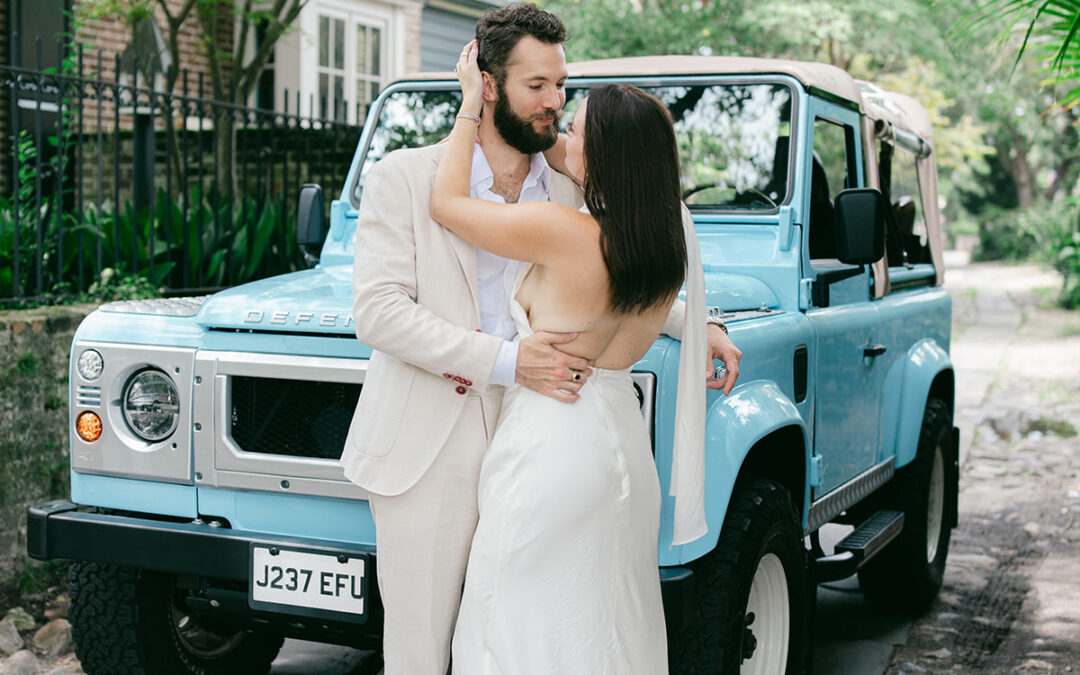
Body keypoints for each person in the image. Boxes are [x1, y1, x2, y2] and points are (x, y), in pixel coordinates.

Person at [340, 5, 741, 674]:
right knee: (422, 654)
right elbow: (379, 312)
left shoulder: (571, 181)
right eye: (537, 86)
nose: (556, 102)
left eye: (562, 85)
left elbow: (622, 262)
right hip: (432, 447)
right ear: (487, 85)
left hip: (544, 440)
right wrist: (507, 360)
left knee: (531, 636)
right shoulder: (402, 178)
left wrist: (699, 320)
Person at [431, 41, 715, 673]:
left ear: (606, 155)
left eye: (577, 133)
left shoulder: (563, 231)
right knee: (607, 631)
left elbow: (446, 204)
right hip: (621, 455)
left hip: (550, 446)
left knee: (511, 631)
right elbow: (558, 151)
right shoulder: (669, 241)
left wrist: (468, 106)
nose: (562, 138)